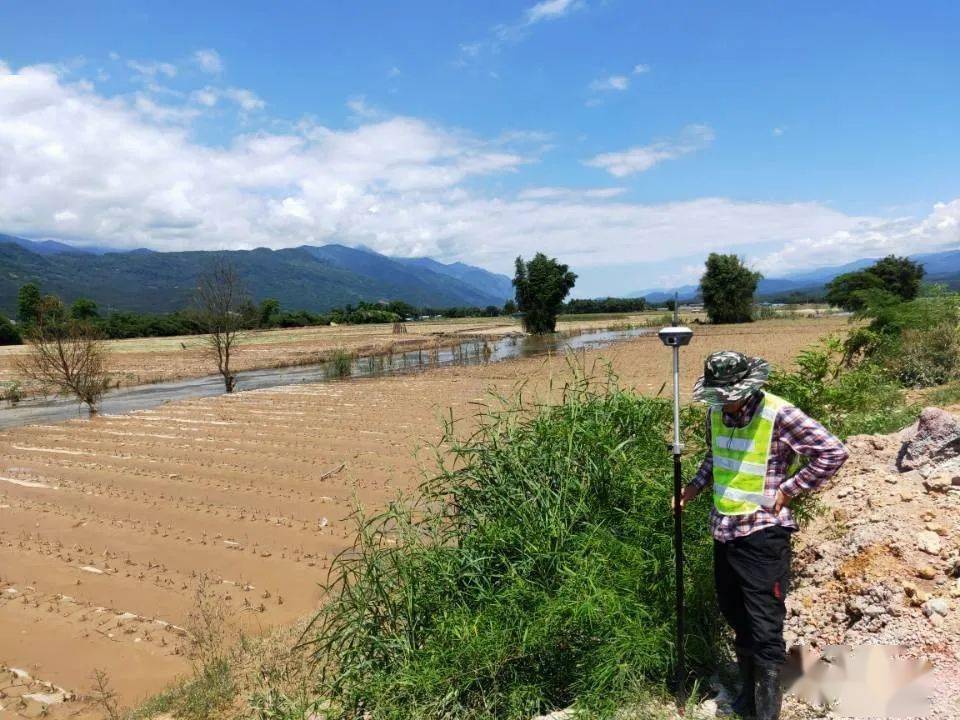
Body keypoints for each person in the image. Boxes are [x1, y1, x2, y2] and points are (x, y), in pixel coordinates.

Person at [678, 351, 848, 720]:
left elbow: (832, 452)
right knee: (735, 614)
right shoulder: (715, 413)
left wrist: (789, 489)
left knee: (765, 626)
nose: (724, 401)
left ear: (749, 385)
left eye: (730, 394)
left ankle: (766, 711)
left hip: (762, 536)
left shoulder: (779, 413)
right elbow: (714, 456)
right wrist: (693, 487)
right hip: (724, 530)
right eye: (719, 395)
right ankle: (747, 697)